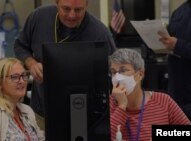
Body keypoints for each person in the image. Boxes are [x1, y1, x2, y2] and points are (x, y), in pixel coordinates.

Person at [14, 0, 116, 130]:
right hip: (41, 113)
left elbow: (115, 69)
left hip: (85, 115)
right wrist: (32, 63)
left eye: (78, 10)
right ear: (56, 3)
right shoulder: (39, 17)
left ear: (87, 5)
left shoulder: (100, 32)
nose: (72, 15)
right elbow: (20, 45)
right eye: (66, 9)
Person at [109, 49, 191, 141]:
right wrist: (121, 106)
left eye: (123, 71)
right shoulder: (108, 105)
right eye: (113, 72)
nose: (117, 77)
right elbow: (105, 137)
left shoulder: (163, 100)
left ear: (140, 74)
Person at [158, 0, 191, 124]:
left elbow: (176, 44)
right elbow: (168, 40)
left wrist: (178, 45)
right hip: (175, 92)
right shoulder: (179, 12)